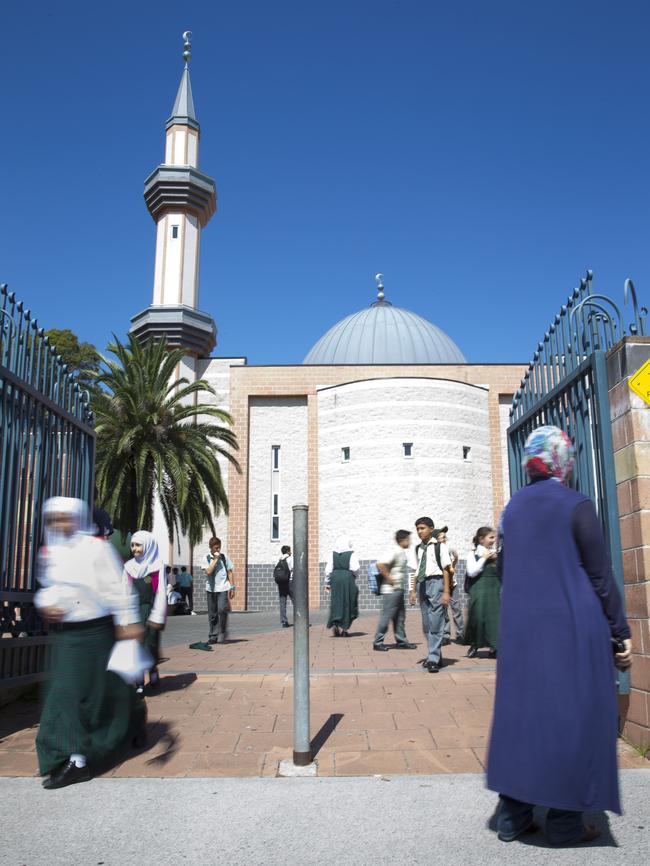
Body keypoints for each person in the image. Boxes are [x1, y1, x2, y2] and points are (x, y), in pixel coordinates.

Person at [487, 425, 633, 846]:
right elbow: (600, 575)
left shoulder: (512, 508)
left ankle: (513, 816)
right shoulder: (576, 505)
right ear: (562, 459)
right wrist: (619, 631)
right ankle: (566, 822)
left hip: (522, 630)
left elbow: (504, 568)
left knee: (524, 717)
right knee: (574, 717)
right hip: (572, 628)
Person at [35, 497, 146, 789]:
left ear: (77, 518)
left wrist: (128, 621)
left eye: (65, 517)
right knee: (67, 697)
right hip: (66, 636)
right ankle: (75, 758)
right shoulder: (52, 551)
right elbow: (48, 588)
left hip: (96, 633)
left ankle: (121, 730)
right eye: (54, 518)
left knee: (105, 692)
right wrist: (47, 605)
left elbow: (117, 589)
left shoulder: (97, 549)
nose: (59, 524)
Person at [123, 531, 167, 691]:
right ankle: (139, 681)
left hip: (150, 611)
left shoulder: (157, 566)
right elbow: (125, 591)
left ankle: (153, 669)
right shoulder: (128, 567)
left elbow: (161, 592)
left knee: (151, 644)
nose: (134, 548)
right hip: (134, 612)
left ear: (147, 546)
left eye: (138, 545)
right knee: (136, 646)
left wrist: (157, 616)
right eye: (132, 545)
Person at [409, 517, 450, 673]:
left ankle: (433, 658)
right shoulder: (418, 548)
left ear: (431, 529)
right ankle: (436, 654)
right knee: (426, 623)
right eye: (418, 529)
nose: (419, 531)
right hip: (422, 584)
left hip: (437, 583)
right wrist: (413, 590)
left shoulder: (440, 547)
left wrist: (446, 591)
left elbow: (446, 569)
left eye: (422, 528)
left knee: (436, 622)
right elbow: (415, 570)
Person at [373, 530, 417, 651]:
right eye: (408, 539)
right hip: (391, 590)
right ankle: (377, 642)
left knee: (400, 617)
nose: (410, 542)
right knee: (386, 616)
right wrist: (389, 578)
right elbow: (380, 564)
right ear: (402, 540)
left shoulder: (401, 552)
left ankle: (401, 641)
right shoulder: (394, 551)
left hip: (398, 589)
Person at [463, 526, 500, 658]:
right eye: (491, 537)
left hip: (495, 589)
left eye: (494, 537)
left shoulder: (496, 553)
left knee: (494, 619)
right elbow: (471, 572)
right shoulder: (473, 554)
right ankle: (474, 644)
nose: (493, 540)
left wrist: (497, 559)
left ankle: (494, 647)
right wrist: (484, 558)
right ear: (481, 539)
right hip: (478, 589)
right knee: (477, 618)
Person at [325, 536, 359, 637]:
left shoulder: (332, 554)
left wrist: (327, 583)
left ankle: (335, 622)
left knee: (336, 601)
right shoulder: (351, 554)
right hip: (347, 579)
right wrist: (354, 577)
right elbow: (355, 568)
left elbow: (328, 570)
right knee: (348, 601)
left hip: (335, 578)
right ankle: (345, 628)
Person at [204, 537, 235, 644]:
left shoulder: (225, 557)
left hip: (223, 588)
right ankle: (213, 636)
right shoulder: (206, 558)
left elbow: (230, 572)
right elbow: (208, 572)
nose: (218, 550)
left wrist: (232, 587)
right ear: (211, 548)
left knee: (222, 609)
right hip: (211, 589)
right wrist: (216, 559)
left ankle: (223, 630)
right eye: (216, 548)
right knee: (212, 614)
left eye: (219, 547)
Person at [436, 527, 464, 645]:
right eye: (440, 537)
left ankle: (461, 634)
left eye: (444, 537)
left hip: (453, 584)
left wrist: (454, 564)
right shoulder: (435, 550)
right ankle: (445, 635)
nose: (442, 539)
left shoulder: (449, 547)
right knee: (443, 611)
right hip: (441, 584)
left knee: (456, 609)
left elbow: (456, 557)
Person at [274, 545, 294, 628]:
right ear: (288, 551)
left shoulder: (278, 560)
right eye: (290, 550)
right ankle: (300, 620)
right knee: (296, 602)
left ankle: (284, 622)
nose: (291, 552)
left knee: (282, 603)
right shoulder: (290, 559)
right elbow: (294, 568)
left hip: (281, 583)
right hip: (290, 582)